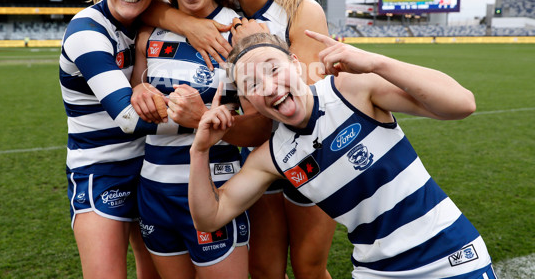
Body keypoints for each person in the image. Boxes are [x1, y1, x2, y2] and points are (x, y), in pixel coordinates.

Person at [188, 31, 497, 279]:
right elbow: (209, 217)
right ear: (247, 99)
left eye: (273, 69)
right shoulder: (273, 156)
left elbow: (462, 104)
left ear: (296, 64)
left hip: (449, 257)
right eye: (252, 83)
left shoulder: (351, 90)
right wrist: (199, 151)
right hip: (375, 270)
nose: (268, 87)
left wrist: (375, 63)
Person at [59, 0, 235, 279]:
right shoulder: (86, 32)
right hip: (102, 172)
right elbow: (127, 116)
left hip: (147, 170)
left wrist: (183, 22)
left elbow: (161, 14)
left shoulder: (141, 22)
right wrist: (206, 119)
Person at [129, 0, 271, 279]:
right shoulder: (149, 35)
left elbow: (259, 131)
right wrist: (139, 92)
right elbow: (136, 101)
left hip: (216, 190)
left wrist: (203, 121)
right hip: (154, 193)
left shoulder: (240, 32)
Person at [217, 0, 335, 279]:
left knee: (308, 268)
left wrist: (252, 45)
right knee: (264, 269)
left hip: (312, 156)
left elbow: (297, 107)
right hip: (261, 162)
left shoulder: (302, 10)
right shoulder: (223, 20)